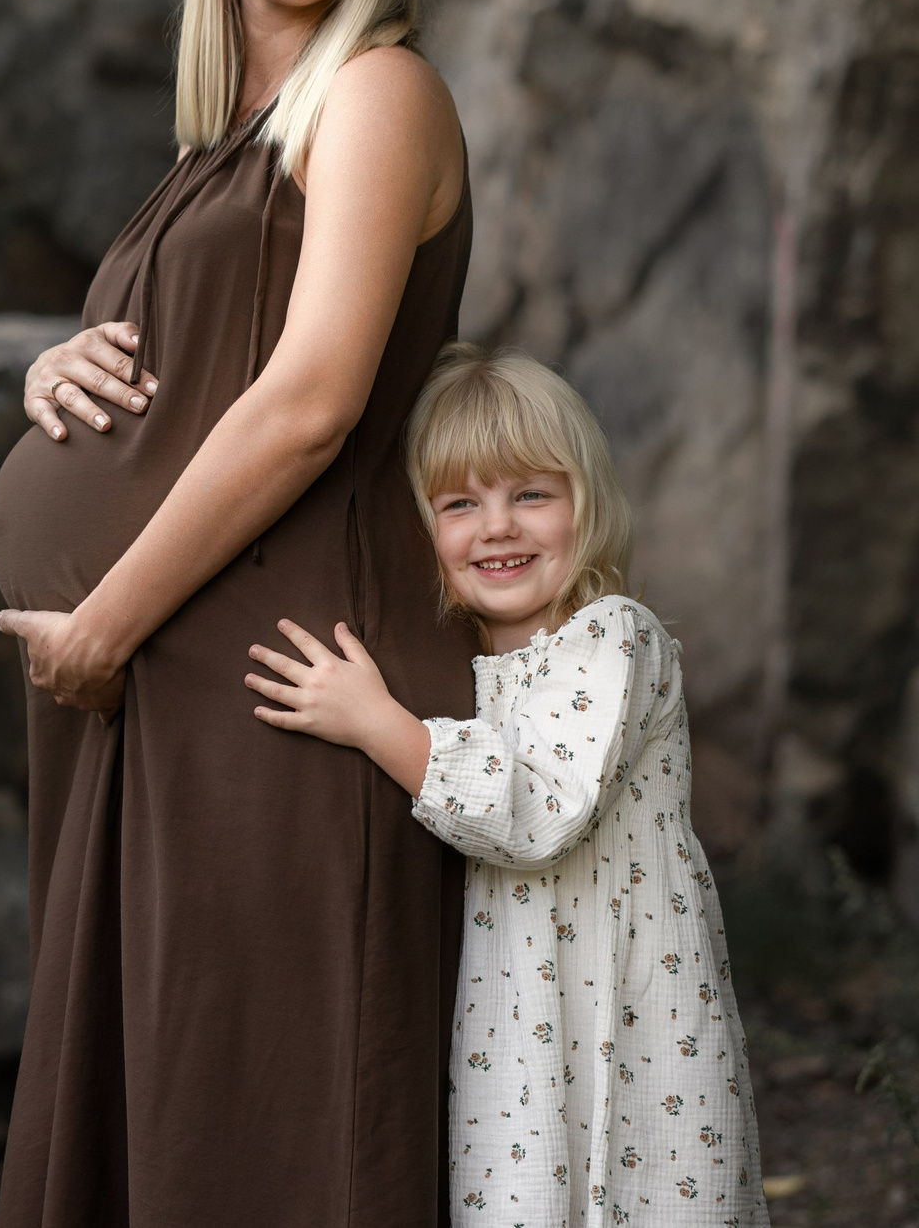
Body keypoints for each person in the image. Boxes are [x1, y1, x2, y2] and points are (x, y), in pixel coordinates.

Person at [0, 0, 473, 1226]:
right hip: (171, 687)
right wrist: (52, 366)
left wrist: (110, 620)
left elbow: (313, 401)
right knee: (174, 1124)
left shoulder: (376, 94)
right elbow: (189, 363)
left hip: (277, 684)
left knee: (262, 1139)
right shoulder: (225, 135)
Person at [243, 344, 769, 1228]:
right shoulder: (467, 672)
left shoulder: (614, 638)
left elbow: (533, 812)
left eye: (531, 493)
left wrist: (376, 721)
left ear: (586, 504)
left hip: (642, 1030)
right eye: (460, 502)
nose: (498, 525)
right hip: (520, 1042)